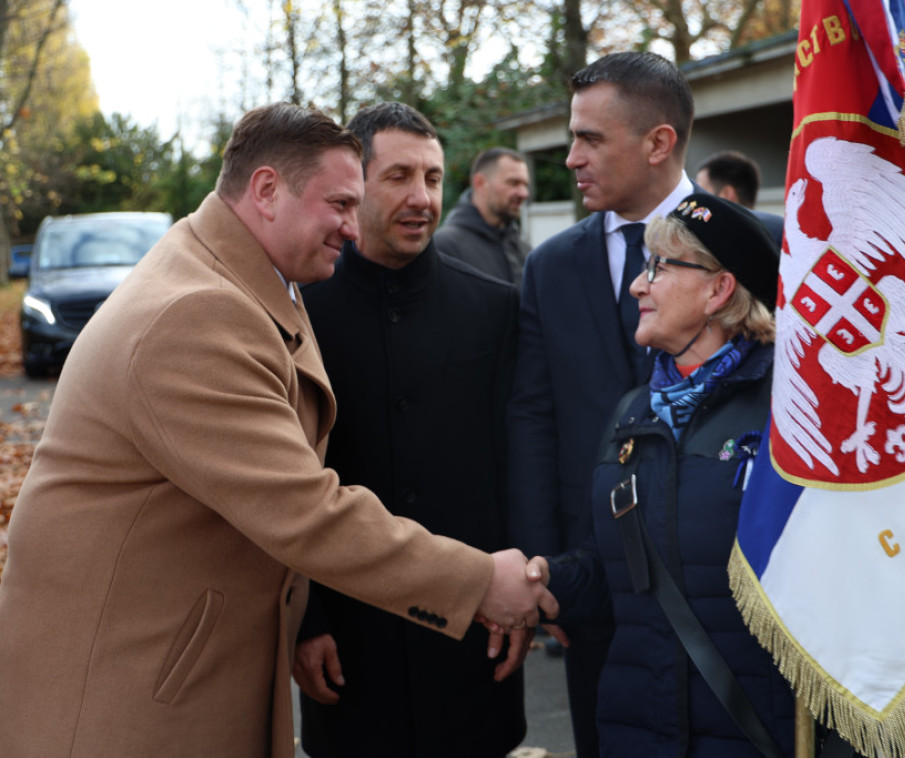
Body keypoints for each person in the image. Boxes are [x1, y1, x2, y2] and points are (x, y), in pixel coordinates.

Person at [0, 102, 554, 758]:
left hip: (165, 671)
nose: (353, 230)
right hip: (128, 698)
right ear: (266, 190)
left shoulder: (222, 278)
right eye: (342, 204)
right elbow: (304, 510)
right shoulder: (199, 313)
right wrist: (480, 583)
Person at [292, 103, 526, 758]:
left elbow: (518, 466)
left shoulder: (496, 307)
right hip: (348, 647)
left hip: (473, 642)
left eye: (432, 176)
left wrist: (521, 597)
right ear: (355, 183)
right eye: (399, 177)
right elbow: (283, 485)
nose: (422, 197)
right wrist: (303, 623)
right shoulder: (296, 316)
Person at [528, 191, 791, 757]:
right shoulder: (633, 411)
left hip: (753, 732)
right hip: (639, 729)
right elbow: (619, 571)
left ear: (720, 289)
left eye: (658, 268)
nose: (637, 286)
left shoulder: (791, 415)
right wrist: (541, 580)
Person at [507, 50, 697, 757]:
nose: (572, 157)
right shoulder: (550, 265)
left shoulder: (760, 249)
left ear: (658, 142)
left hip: (725, 584)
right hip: (594, 584)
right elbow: (534, 416)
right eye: (571, 138)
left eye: (590, 138)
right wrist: (544, 565)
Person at [433, 146, 532, 285]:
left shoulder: (523, 248)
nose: (524, 193)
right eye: (513, 183)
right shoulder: (444, 247)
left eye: (525, 184)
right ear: (480, 183)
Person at [695, 149, 784, 244]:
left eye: (701, 191)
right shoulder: (779, 233)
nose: (696, 200)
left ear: (726, 194)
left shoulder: (717, 245)